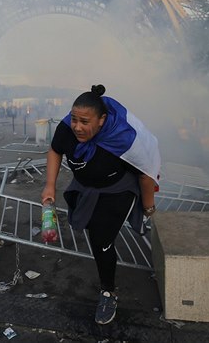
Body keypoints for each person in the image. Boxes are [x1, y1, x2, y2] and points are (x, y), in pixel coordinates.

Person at [40, 84, 160, 325]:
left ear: (102, 120)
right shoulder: (66, 130)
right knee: (89, 227)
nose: (77, 127)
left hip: (119, 189)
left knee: (100, 238)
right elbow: (55, 151)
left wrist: (148, 209)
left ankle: (108, 292)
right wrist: (50, 185)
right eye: (74, 119)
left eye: (85, 121)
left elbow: (146, 175)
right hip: (86, 186)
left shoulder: (125, 139)